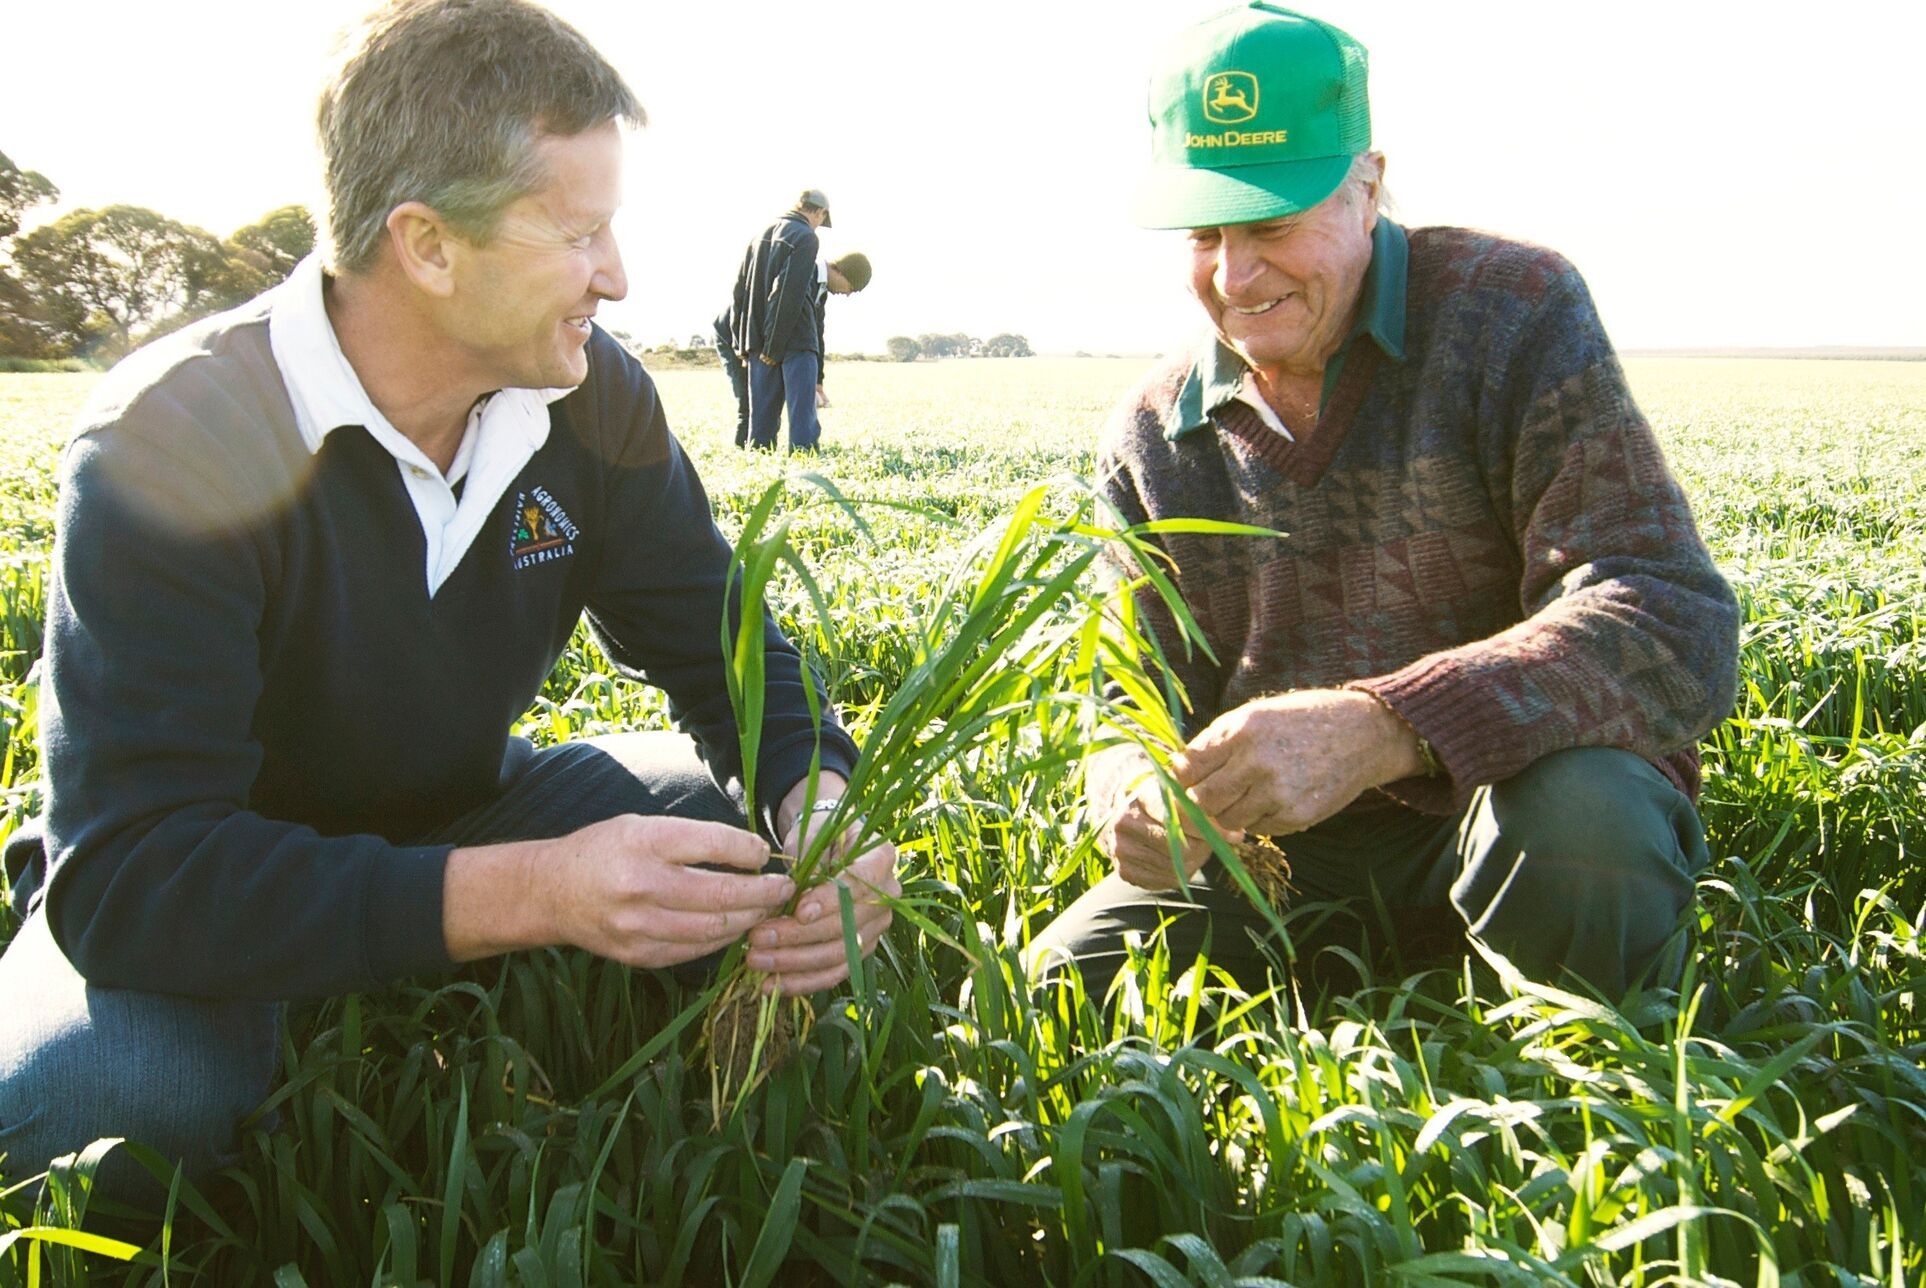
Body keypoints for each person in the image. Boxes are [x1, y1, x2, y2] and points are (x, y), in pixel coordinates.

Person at [0, 0, 898, 1204]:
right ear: (427, 245)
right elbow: (134, 875)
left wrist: (818, 801)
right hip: (218, 876)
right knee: (117, 1103)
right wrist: (535, 890)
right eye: (579, 232)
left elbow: (723, 644)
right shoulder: (174, 435)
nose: (618, 275)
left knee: (736, 855)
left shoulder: (592, 398)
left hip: (463, 811)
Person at [1031, 2, 1739, 1001]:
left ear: (1367, 188)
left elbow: (1670, 618)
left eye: (1272, 224)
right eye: (1205, 233)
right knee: (1070, 982)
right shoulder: (1153, 432)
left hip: (1503, 808)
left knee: (1582, 822)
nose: (1235, 274)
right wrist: (1132, 792)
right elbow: (1124, 704)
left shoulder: (1511, 313)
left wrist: (1384, 726)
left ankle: (1593, 1054)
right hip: (1286, 854)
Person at [731, 192, 868, 451]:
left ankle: (760, 462)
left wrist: (743, 344)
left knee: (761, 425)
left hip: (757, 338)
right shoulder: (806, 237)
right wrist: (774, 347)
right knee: (803, 424)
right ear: (820, 212)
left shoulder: (759, 235)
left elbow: (740, 292)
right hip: (790, 341)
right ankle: (803, 459)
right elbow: (786, 291)